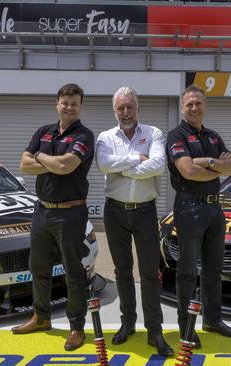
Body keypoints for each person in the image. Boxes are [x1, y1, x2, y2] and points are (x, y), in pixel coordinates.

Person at [11, 83, 95, 352]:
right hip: (42, 210)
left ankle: (76, 327)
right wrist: (50, 161)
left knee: (73, 272)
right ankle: (41, 317)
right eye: (65, 102)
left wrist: (39, 155)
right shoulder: (43, 132)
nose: (69, 107)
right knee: (38, 268)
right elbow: (24, 166)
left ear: (80, 106)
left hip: (70, 212)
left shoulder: (85, 135)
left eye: (74, 103)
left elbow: (65, 166)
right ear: (57, 103)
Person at [95, 86, 174, 356]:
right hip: (114, 212)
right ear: (114, 110)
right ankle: (127, 323)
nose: (125, 112)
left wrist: (124, 168)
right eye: (120, 108)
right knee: (122, 271)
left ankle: (155, 331)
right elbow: (104, 165)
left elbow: (159, 166)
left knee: (150, 273)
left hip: (145, 212)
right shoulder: (105, 137)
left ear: (137, 108)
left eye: (130, 107)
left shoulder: (153, 134)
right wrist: (136, 159)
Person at [165, 85, 231, 348]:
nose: (194, 108)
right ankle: (186, 328)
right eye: (189, 104)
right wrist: (215, 166)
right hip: (189, 209)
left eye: (198, 103)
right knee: (187, 272)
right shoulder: (176, 135)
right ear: (182, 108)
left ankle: (212, 319)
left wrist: (206, 162)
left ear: (205, 106)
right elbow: (187, 171)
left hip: (214, 209)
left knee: (213, 270)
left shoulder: (213, 136)